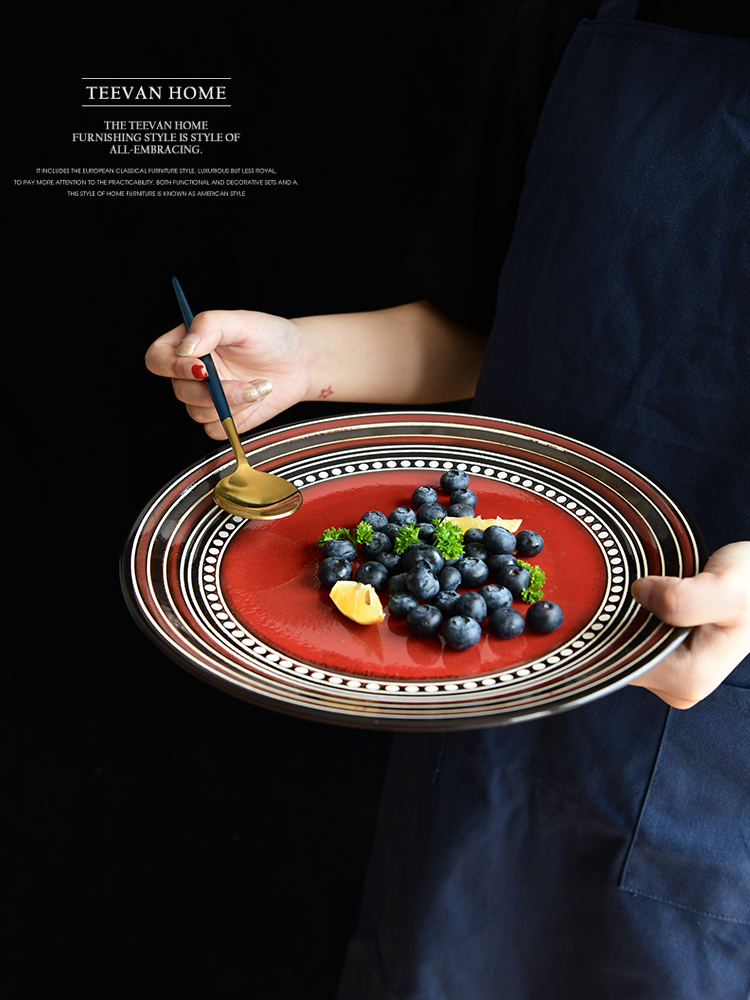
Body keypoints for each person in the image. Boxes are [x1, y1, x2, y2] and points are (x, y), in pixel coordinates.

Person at [146, 1, 750, 996]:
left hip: (716, 786)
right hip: (481, 737)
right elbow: (495, 324)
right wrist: (306, 360)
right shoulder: (587, 14)